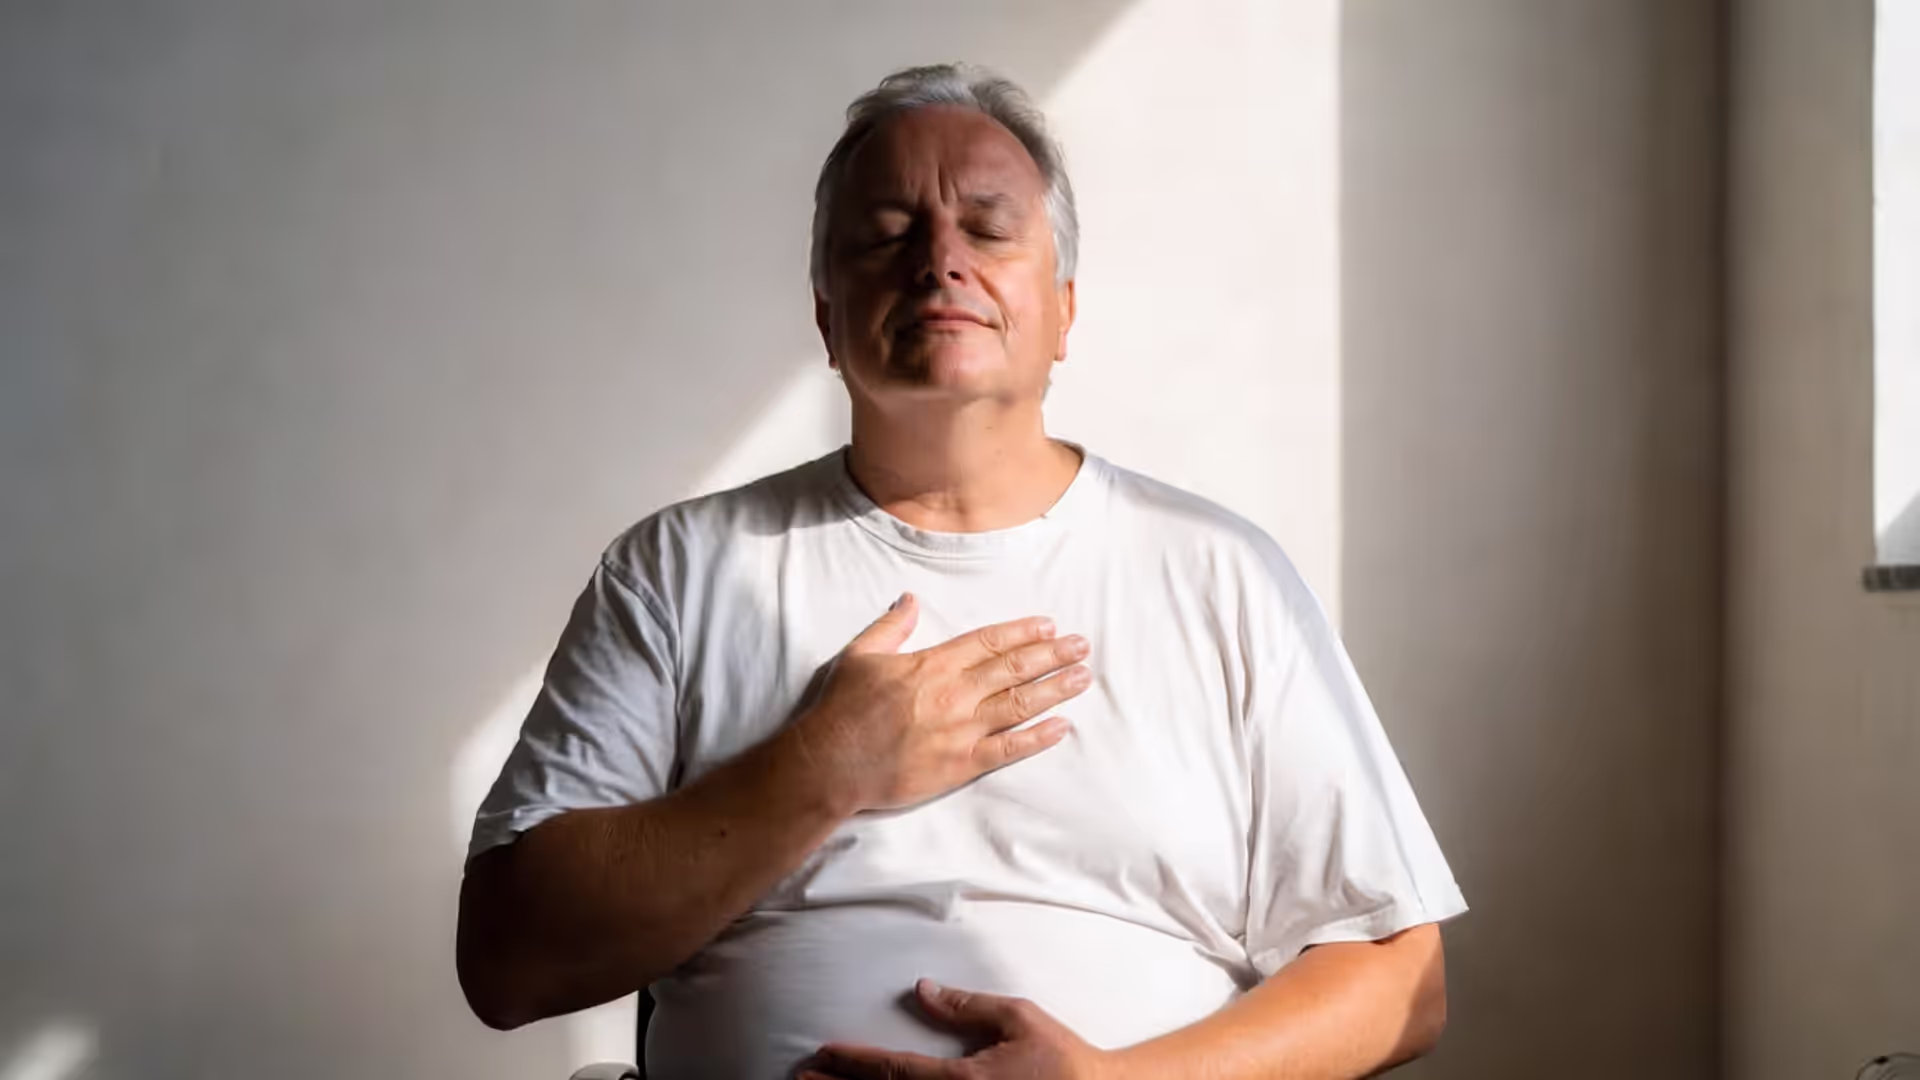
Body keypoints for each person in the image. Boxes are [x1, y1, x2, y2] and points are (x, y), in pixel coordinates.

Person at [456, 62, 1467, 1080]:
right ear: (824, 315)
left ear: (1064, 309)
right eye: (887, 235)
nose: (939, 262)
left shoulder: (1222, 576)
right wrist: (826, 764)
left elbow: (1397, 976)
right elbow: (509, 964)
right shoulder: (675, 572)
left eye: (987, 229)